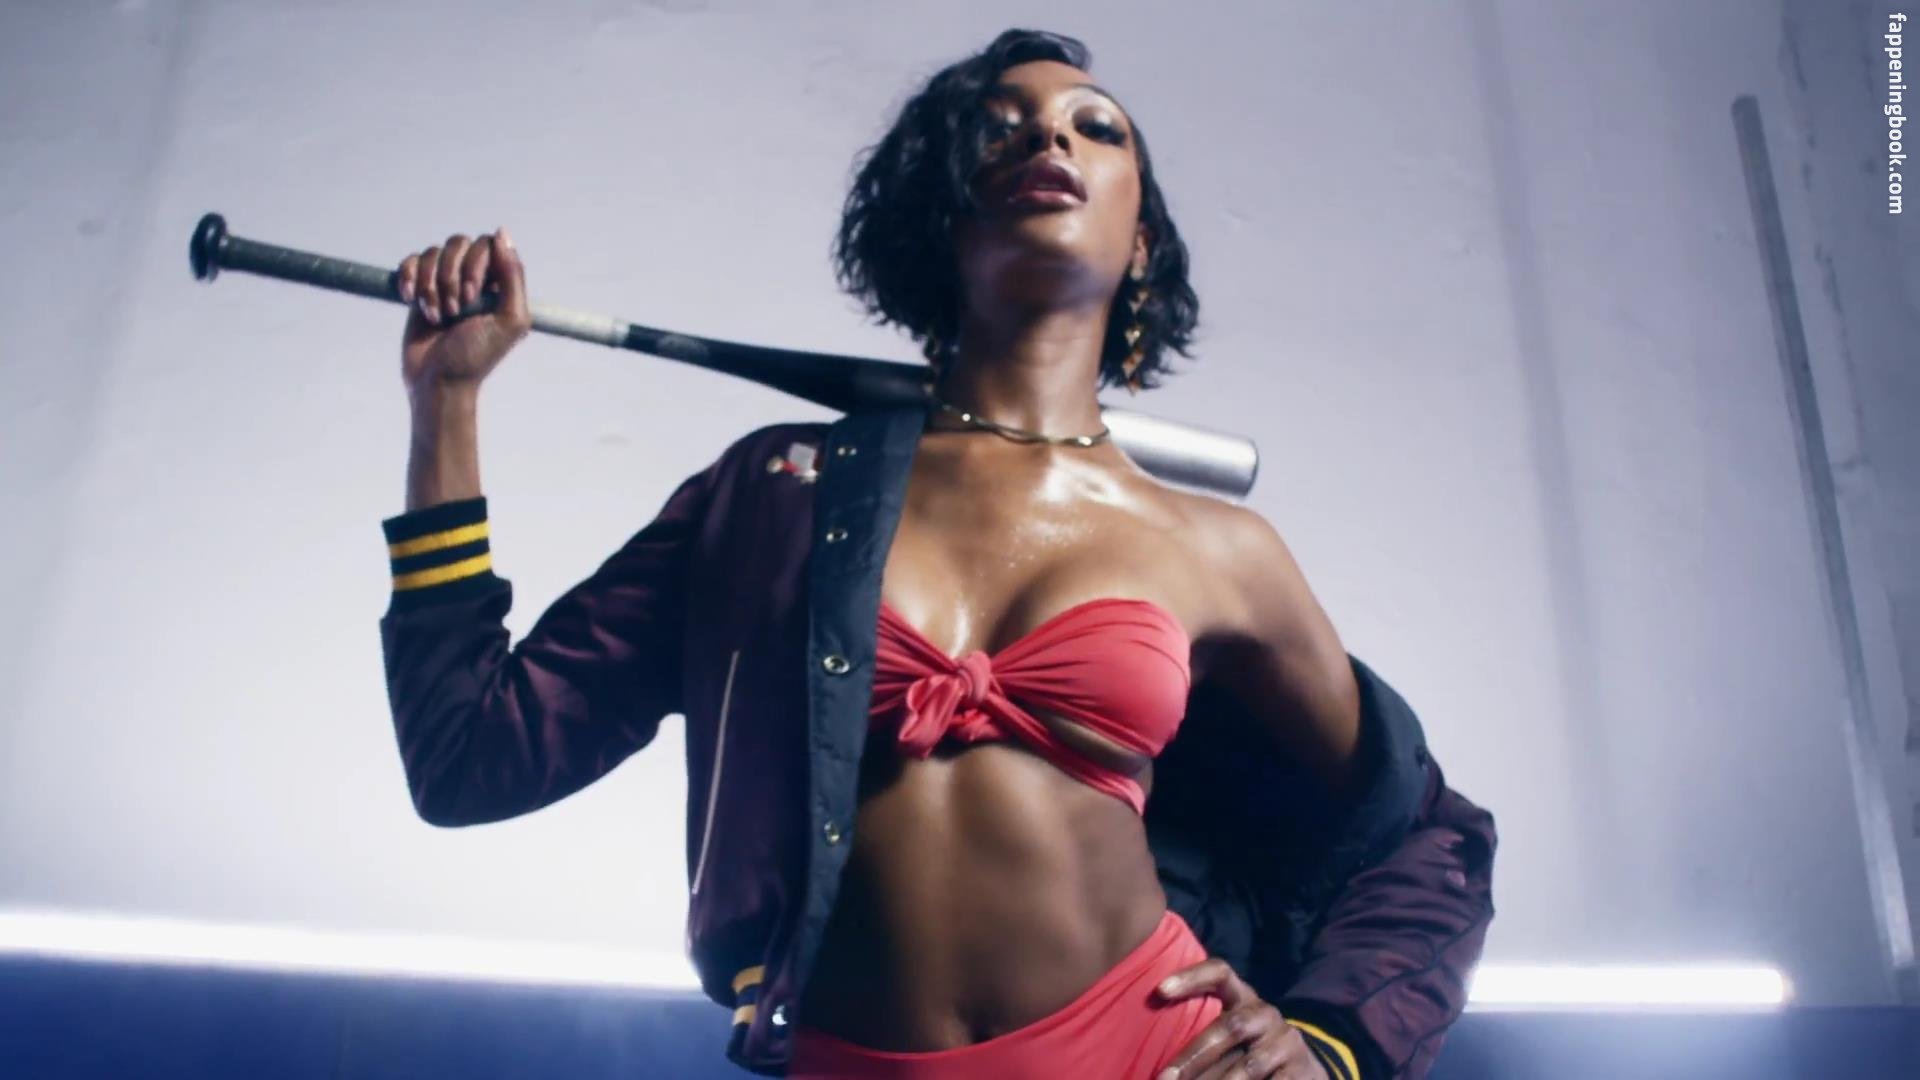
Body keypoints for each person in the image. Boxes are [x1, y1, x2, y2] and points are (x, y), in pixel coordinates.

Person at [376, 28, 1496, 1080]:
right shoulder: (776, 495)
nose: (1049, 135)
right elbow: (473, 756)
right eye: (999, 127)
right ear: (939, 212)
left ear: (1141, 239)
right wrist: (447, 406)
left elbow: (1426, 836)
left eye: (1095, 126)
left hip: (1149, 1053)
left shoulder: (1217, 549)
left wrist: (1333, 1041)